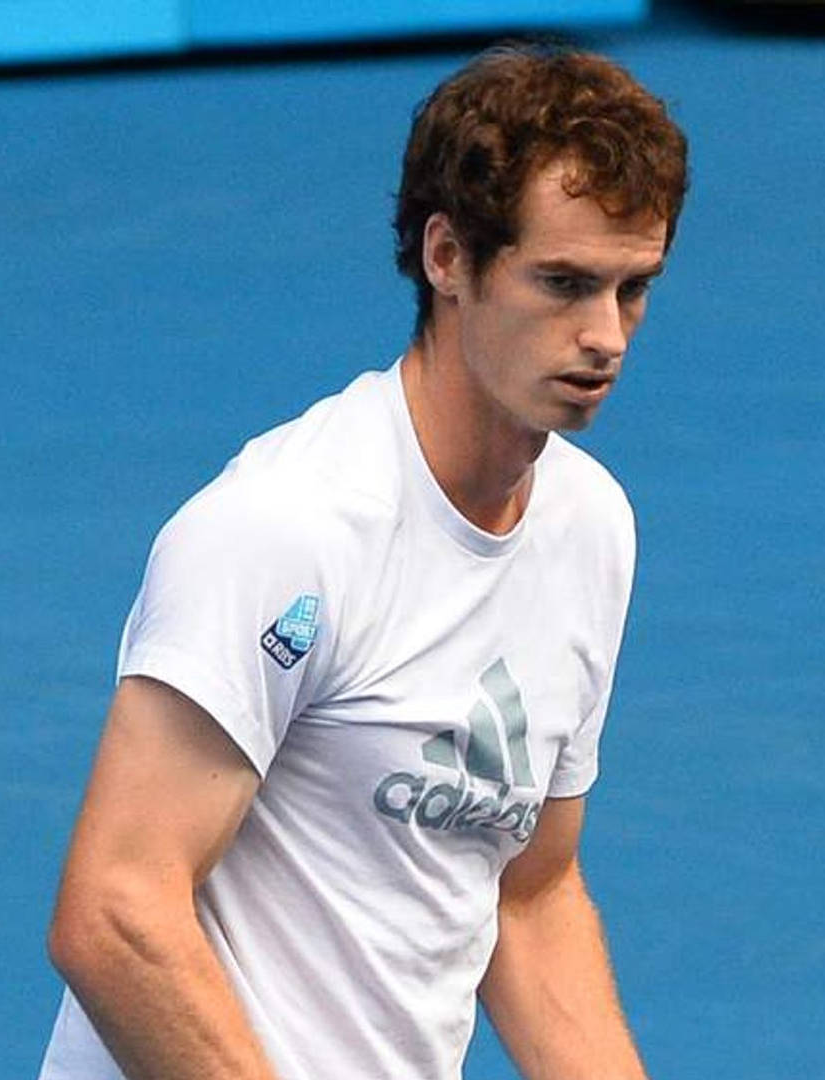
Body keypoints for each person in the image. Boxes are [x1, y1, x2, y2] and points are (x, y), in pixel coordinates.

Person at [37, 44, 687, 1080]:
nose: (605, 336)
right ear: (448, 257)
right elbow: (117, 911)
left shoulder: (592, 528)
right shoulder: (285, 528)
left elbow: (530, 891)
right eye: (562, 283)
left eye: (633, 289)